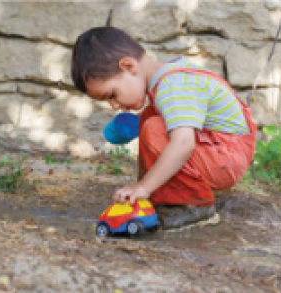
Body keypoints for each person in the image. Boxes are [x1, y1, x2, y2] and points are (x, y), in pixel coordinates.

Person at [71, 27, 257, 231]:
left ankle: (193, 206)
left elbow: (184, 143)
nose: (114, 105)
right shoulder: (167, 79)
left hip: (227, 156)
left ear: (129, 66)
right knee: (151, 120)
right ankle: (166, 199)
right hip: (218, 149)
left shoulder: (172, 86)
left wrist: (143, 187)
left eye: (112, 95)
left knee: (154, 128)